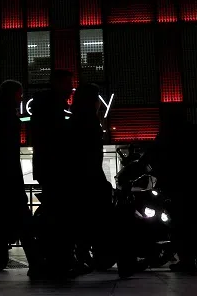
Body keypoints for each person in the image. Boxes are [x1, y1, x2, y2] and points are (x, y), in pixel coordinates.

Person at [0, 81, 39, 273]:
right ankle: (35, 262)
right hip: (9, 172)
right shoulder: (9, 116)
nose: (21, 98)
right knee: (21, 215)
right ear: (12, 95)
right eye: (19, 94)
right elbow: (9, 147)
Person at [151, 105, 197, 272]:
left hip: (181, 184)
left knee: (179, 220)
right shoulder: (195, 131)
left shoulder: (169, 133)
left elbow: (155, 153)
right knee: (184, 219)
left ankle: (187, 259)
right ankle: (189, 257)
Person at [29, 69, 75, 278]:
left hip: (48, 166)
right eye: (68, 83)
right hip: (55, 167)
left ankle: (54, 259)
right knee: (59, 214)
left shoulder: (44, 106)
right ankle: (60, 260)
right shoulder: (53, 108)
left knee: (53, 213)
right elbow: (55, 138)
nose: (71, 88)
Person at [67, 83, 111, 269]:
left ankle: (84, 251)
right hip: (90, 174)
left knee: (83, 216)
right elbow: (91, 153)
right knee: (96, 214)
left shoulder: (76, 119)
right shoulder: (89, 120)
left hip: (80, 176)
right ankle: (91, 252)